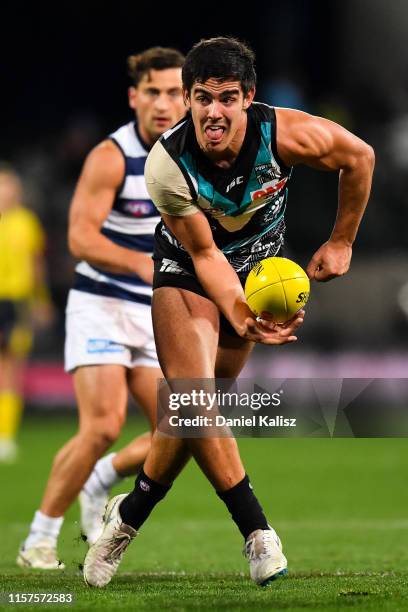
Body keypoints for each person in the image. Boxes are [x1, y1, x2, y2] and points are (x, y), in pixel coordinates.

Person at [83, 36, 375, 588]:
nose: (213, 111)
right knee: (194, 397)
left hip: (255, 270)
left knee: (193, 412)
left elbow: (359, 157)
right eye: (202, 98)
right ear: (189, 100)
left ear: (248, 98)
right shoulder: (167, 165)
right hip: (189, 269)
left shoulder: (285, 132)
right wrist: (239, 314)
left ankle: (127, 515)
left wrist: (342, 242)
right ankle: (258, 533)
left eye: (227, 98)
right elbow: (204, 253)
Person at [17, 47, 186, 570]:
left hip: (153, 308)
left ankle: (100, 475)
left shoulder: (193, 155)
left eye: (175, 92)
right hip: (101, 303)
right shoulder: (111, 156)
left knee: (180, 427)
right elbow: (79, 237)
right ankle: (39, 539)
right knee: (102, 424)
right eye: (153, 91)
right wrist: (139, 263)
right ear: (134, 97)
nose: (164, 103)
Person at [0, 165, 54, 463]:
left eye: (8, 186)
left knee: (11, 368)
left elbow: (36, 265)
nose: (4, 192)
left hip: (15, 302)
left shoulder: (26, 222)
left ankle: (5, 436)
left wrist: (41, 300)